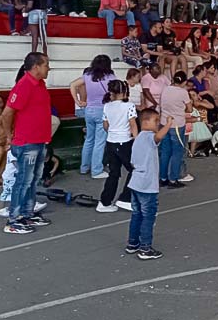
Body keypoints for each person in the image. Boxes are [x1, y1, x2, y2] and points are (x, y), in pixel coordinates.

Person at [0, 52, 52, 234]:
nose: (49, 68)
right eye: (46, 65)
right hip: (27, 141)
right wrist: (9, 136)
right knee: (23, 180)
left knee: (32, 179)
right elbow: (7, 113)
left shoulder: (39, 84)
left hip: (38, 140)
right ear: (36, 66)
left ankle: (26, 213)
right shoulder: (23, 86)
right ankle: (13, 220)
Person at [125, 109, 174, 260]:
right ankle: (145, 248)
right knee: (148, 216)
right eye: (156, 121)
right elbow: (159, 137)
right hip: (147, 184)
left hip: (136, 182)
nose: (158, 124)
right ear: (146, 122)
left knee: (137, 214)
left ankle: (132, 243)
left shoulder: (138, 138)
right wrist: (169, 124)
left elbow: (133, 162)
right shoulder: (148, 137)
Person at [70, 55, 116, 179]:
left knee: (89, 140)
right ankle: (96, 170)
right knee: (100, 142)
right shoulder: (110, 77)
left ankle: (84, 167)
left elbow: (73, 85)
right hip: (103, 110)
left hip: (89, 111)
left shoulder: (88, 76)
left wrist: (78, 101)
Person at [97, 80, 139, 213]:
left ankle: (105, 202)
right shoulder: (129, 106)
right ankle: (125, 198)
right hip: (124, 141)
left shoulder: (107, 106)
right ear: (124, 91)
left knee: (113, 173)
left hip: (111, 142)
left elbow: (105, 126)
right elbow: (133, 125)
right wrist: (137, 140)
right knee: (135, 170)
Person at [159, 71, 193, 188]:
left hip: (164, 123)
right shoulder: (183, 92)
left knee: (165, 152)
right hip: (177, 124)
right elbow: (189, 109)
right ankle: (173, 179)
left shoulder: (166, 89)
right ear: (184, 81)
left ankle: (163, 178)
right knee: (177, 153)